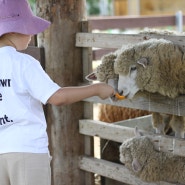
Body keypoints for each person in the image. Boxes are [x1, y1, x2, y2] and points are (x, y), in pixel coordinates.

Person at [0, 0, 115, 185]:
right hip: (27, 150)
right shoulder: (24, 63)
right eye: (28, 28)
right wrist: (97, 88)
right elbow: (57, 97)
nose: (32, 35)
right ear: (13, 30)